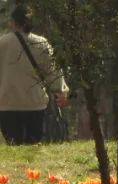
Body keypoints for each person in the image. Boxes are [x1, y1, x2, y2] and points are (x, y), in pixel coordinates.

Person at [0, 5, 68, 145]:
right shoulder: (41, 43)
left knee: (13, 147)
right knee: (33, 146)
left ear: (13, 22)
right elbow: (53, 71)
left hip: (7, 104)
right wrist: (61, 92)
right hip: (35, 104)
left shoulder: (2, 43)